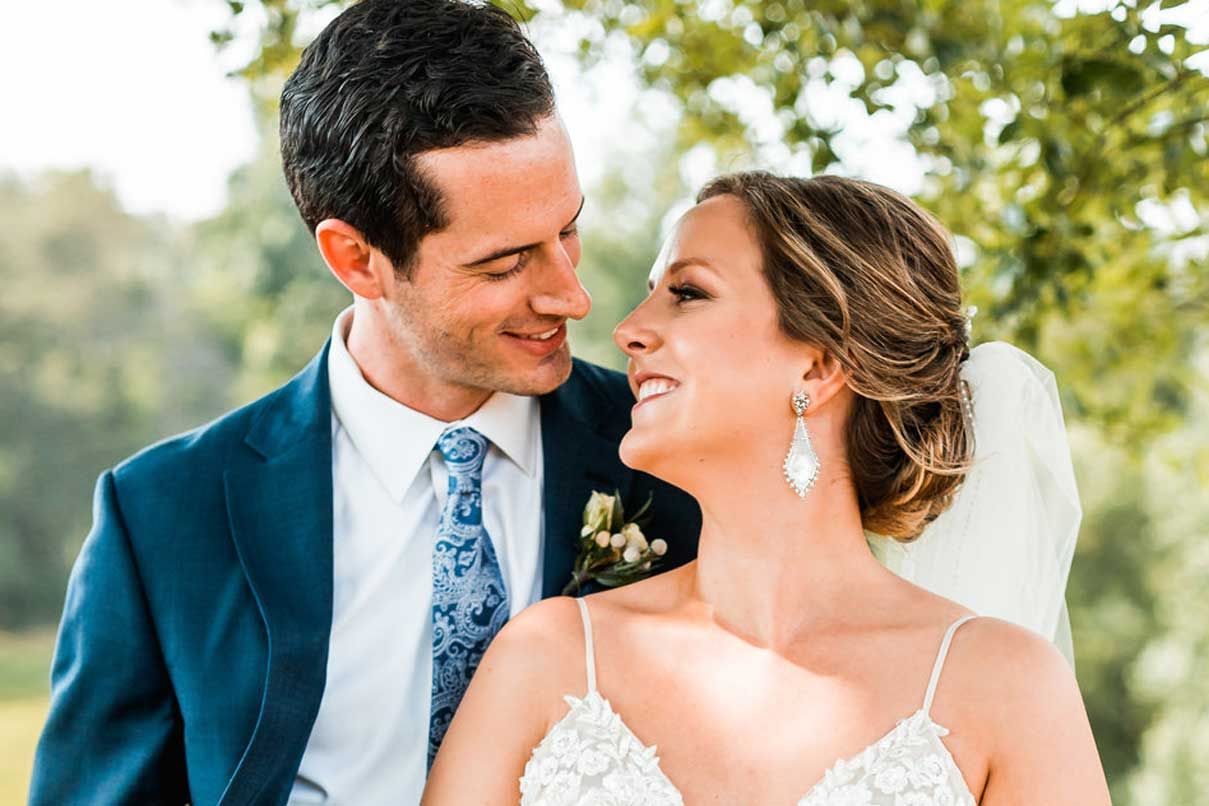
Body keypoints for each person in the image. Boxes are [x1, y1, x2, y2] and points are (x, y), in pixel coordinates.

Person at [28, 2, 699, 803]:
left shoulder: (672, 455)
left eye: (567, 230)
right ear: (356, 258)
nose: (572, 295)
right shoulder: (162, 514)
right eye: (504, 263)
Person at [422, 172, 1111, 804]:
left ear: (817, 365)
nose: (629, 329)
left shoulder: (1005, 684)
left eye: (687, 294)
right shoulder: (548, 655)